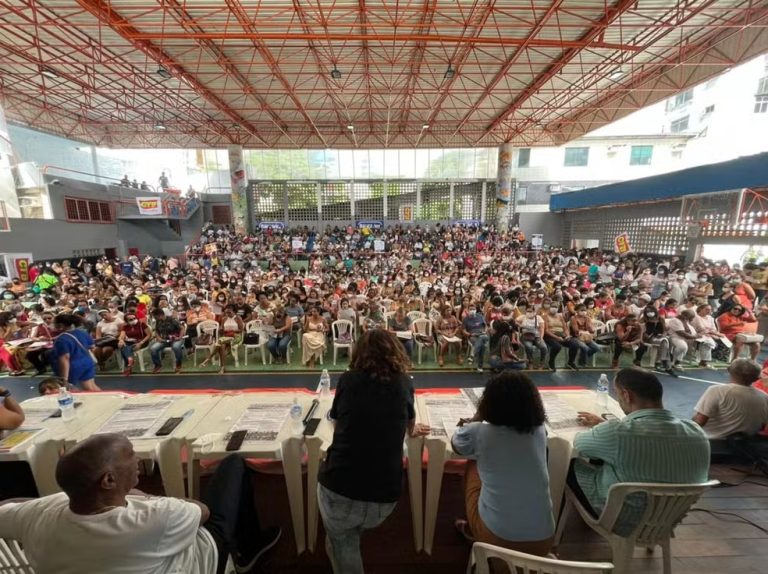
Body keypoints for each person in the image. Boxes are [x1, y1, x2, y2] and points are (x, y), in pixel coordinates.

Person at [0, 433, 281, 574]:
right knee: (233, 465)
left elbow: (9, 508)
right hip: (203, 558)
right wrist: (141, 496)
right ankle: (246, 553)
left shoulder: (39, 516)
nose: (137, 460)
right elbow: (203, 512)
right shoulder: (155, 516)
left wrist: (39, 503)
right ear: (108, 480)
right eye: (130, 455)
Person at [318, 330, 430, 574]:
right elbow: (409, 425)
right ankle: (342, 538)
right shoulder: (404, 382)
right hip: (384, 498)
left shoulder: (348, 380)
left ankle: (343, 542)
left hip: (341, 490)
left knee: (344, 543)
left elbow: (337, 421)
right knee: (342, 536)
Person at [570, 368, 710, 520]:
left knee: (570, 464)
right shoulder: (697, 432)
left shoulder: (617, 432)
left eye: (617, 393)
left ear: (626, 395)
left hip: (621, 519)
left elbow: (579, 444)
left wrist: (603, 428)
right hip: (669, 518)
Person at [451, 372, 555, 555]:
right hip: (544, 540)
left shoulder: (480, 432)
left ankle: (473, 528)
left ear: (489, 403)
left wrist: (477, 418)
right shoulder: (540, 430)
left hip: (498, 538)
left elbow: (457, 444)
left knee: (472, 463)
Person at [693, 359, 768, 440]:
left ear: (729, 371)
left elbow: (700, 421)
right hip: (746, 446)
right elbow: (762, 425)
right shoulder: (764, 397)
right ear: (757, 378)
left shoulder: (717, 391)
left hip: (713, 442)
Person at [51, 313, 100, 391]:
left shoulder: (61, 340)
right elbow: (92, 346)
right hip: (87, 362)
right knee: (91, 387)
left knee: (69, 389)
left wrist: (64, 378)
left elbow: (65, 358)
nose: (52, 325)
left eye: (53, 323)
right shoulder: (81, 332)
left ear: (61, 325)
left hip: (73, 367)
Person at [200, 305, 243, 374]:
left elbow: (241, 330)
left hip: (236, 337)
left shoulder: (238, 318)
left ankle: (208, 359)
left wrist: (231, 331)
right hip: (226, 337)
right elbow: (222, 330)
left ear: (234, 311)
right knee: (221, 346)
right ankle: (222, 367)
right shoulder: (224, 319)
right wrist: (221, 330)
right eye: (227, 312)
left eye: (229, 312)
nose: (228, 314)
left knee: (219, 342)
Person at [149, 308, 186, 374]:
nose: (154, 318)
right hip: (164, 340)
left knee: (176, 347)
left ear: (160, 315)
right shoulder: (158, 321)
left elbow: (182, 328)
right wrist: (159, 338)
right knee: (153, 348)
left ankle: (178, 365)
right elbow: (157, 331)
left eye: (155, 316)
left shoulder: (172, 320)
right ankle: (157, 365)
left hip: (175, 339)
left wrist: (180, 337)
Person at [117, 311, 152, 376]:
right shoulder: (125, 327)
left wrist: (141, 342)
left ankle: (129, 364)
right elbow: (122, 335)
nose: (133, 320)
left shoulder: (142, 324)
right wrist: (121, 340)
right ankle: (130, 361)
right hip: (131, 342)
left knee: (125, 348)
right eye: (130, 319)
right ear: (127, 321)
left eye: (134, 318)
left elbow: (149, 335)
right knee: (122, 345)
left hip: (143, 341)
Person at [463, 303, 490, 373]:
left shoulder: (480, 316)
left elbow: (486, 326)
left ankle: (472, 354)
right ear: (467, 310)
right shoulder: (465, 319)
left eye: (473, 309)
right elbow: (463, 330)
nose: (472, 310)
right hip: (473, 335)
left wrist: (485, 331)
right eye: (470, 309)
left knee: (482, 337)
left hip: (482, 334)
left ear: (476, 310)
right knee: (482, 346)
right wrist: (469, 334)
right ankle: (480, 367)